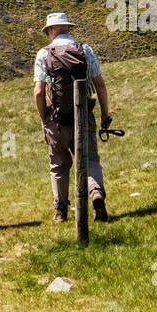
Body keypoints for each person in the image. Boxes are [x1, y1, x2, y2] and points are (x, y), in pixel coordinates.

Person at [33, 12, 111, 223]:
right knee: (90, 159)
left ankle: (60, 211)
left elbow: (39, 91)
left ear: (50, 31)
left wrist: (44, 120)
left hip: (55, 120)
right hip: (83, 115)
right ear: (68, 28)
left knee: (58, 165)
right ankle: (96, 194)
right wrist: (105, 114)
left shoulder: (43, 54)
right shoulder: (85, 50)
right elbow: (100, 85)